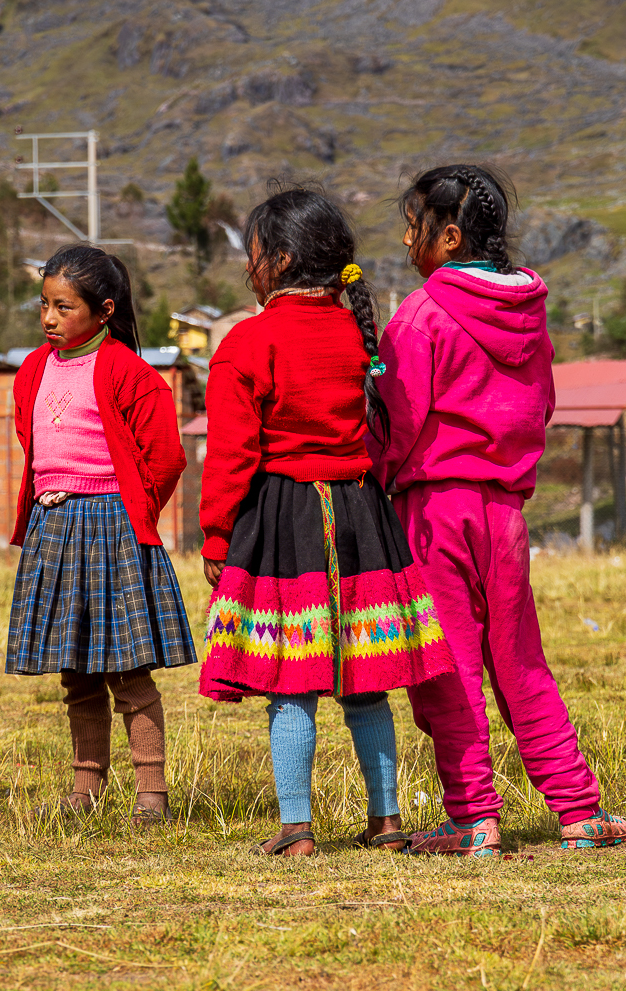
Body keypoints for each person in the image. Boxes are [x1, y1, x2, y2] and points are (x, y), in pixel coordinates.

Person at [372, 164, 626, 856]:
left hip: (435, 508)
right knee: (521, 660)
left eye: (413, 223)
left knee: (451, 664)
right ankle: (578, 808)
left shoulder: (422, 314)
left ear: (448, 236)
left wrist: (382, 481)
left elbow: (398, 420)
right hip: (506, 515)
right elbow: (541, 404)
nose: (405, 237)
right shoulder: (530, 316)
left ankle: (473, 815)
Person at [198, 187, 451, 856]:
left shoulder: (247, 343)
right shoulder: (358, 332)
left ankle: (295, 827)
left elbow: (229, 452)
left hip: (286, 522)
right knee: (364, 681)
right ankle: (387, 820)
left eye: (252, 253)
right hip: (360, 515)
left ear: (278, 261)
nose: (248, 264)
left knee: (294, 679)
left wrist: (217, 535)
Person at [6, 245, 192, 823]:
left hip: (111, 528)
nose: (48, 318)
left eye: (64, 307)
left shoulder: (134, 377)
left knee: (127, 670)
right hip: (54, 528)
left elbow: (165, 460)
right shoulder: (34, 370)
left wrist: (127, 512)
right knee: (76, 669)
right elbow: (30, 437)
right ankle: (85, 790)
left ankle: (151, 796)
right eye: (44, 304)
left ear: (104, 310)